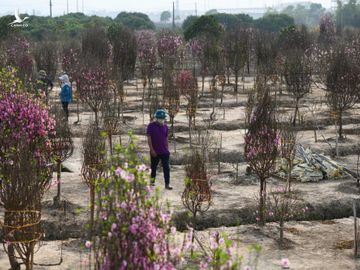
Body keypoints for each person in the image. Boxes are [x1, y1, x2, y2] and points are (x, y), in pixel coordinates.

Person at [146, 109, 173, 190]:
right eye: (160, 118)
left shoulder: (165, 126)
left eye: (163, 118)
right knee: (153, 167)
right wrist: (151, 150)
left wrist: (167, 149)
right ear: (156, 118)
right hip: (155, 151)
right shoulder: (151, 126)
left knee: (166, 168)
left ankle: (167, 184)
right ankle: (152, 182)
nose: (162, 119)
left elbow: (166, 138)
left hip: (164, 151)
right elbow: (149, 138)